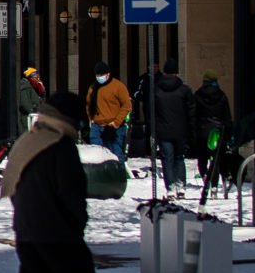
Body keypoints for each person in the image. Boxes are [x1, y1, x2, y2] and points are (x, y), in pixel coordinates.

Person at [0, 88, 94, 273]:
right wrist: (77, 225)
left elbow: (11, 185)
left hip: (26, 231)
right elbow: (71, 195)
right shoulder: (60, 147)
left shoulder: (28, 141)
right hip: (56, 233)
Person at [142, 57, 194, 195]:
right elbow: (191, 111)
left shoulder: (157, 90)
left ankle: (170, 187)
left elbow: (151, 112)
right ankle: (181, 186)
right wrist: (190, 129)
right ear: (176, 73)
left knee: (167, 159)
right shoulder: (184, 90)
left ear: (164, 73)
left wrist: (153, 129)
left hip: (163, 131)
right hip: (180, 131)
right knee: (179, 158)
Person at [192, 72, 234, 188]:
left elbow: (193, 114)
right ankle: (215, 185)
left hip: (202, 131)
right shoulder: (222, 95)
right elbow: (227, 116)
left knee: (202, 158)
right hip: (218, 131)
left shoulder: (198, 95)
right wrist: (229, 131)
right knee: (216, 159)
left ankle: (205, 176)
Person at [86, 60, 132, 164]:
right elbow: (88, 104)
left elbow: (127, 105)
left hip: (114, 126)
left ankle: (119, 177)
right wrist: (91, 118)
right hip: (97, 126)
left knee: (115, 155)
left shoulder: (118, 86)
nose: (99, 77)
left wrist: (116, 123)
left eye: (101, 74)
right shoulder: (93, 88)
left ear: (108, 74)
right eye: (97, 75)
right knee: (96, 155)